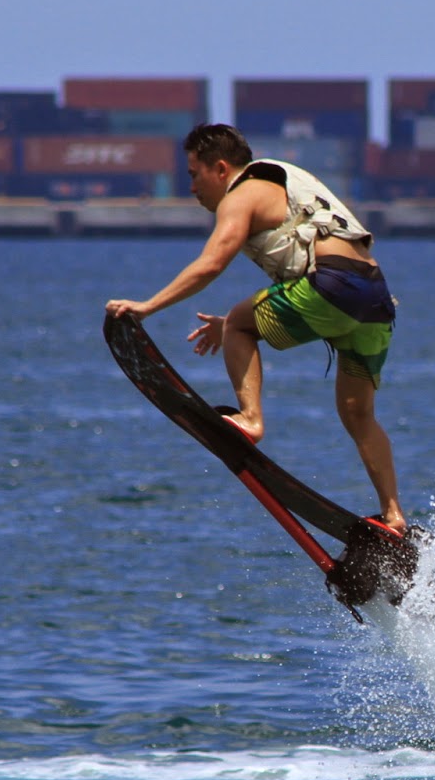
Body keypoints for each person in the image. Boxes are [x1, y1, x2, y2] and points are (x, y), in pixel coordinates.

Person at [105, 123, 407, 535]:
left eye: (194, 174)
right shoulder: (278, 181)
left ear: (221, 168)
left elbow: (212, 263)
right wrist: (236, 325)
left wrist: (148, 307)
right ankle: (394, 514)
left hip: (336, 286)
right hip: (373, 298)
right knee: (358, 412)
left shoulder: (241, 194)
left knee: (241, 324)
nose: (191, 188)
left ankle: (250, 419)